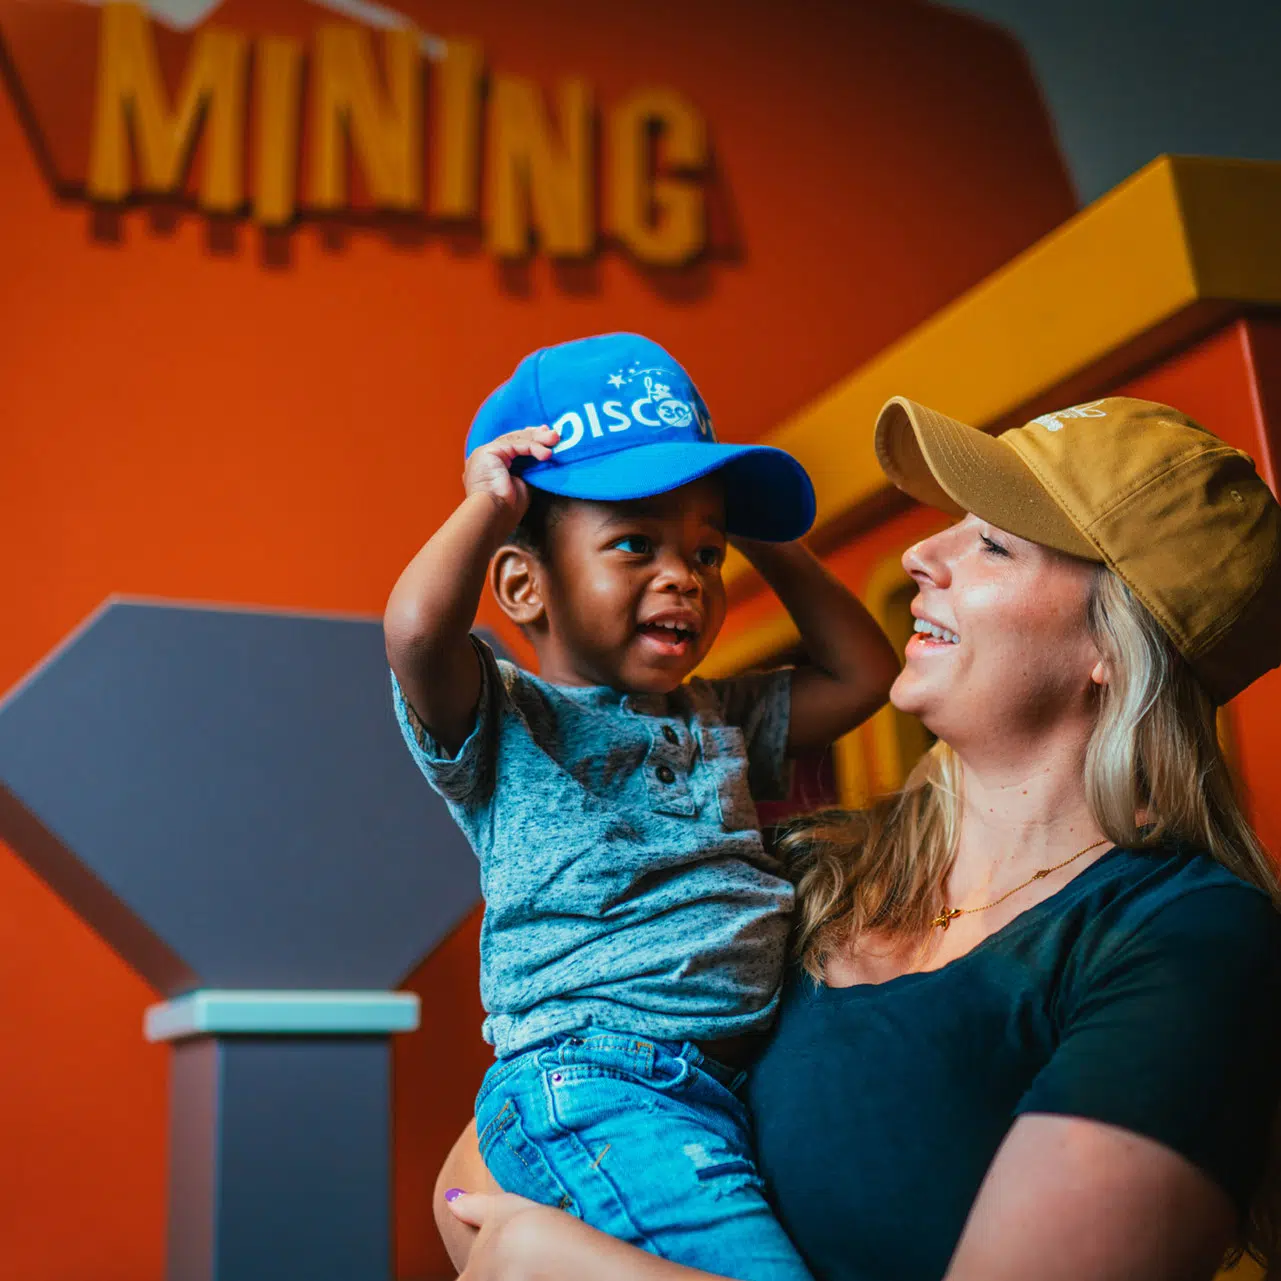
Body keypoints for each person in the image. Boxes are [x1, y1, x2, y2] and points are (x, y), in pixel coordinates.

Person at [435, 393, 1281, 1281]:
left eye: (992, 542)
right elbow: (478, 1174)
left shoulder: (1188, 938)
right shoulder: (805, 876)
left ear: (1112, 641)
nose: (922, 554)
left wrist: (565, 1263)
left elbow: (521, 1248)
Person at [383, 333, 900, 1281]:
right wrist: (488, 507)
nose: (686, 577)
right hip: (599, 1083)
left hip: (712, 1087)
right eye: (635, 543)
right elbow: (416, 633)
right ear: (521, 582)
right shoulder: (508, 722)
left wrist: (769, 541)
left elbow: (865, 672)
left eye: (706, 550)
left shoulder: (720, 713)